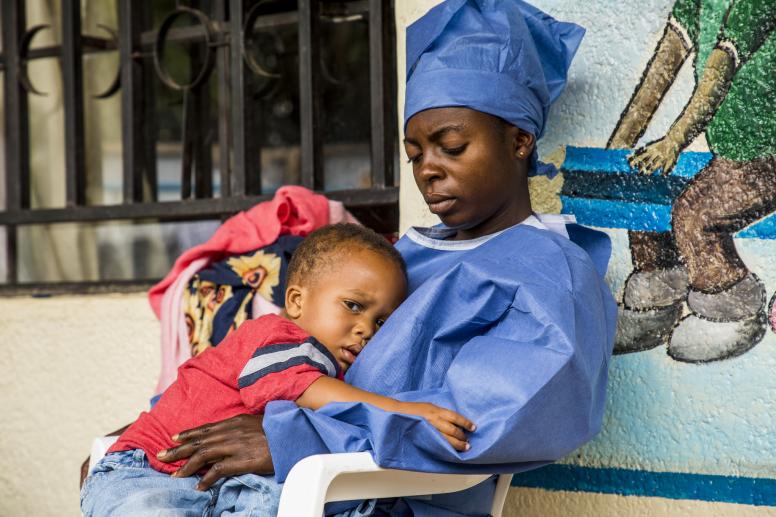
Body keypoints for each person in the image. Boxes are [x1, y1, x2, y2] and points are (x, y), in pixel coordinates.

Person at [147, 1, 618, 515]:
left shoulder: (550, 276)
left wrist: (291, 438)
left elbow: (475, 423)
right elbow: (280, 358)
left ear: (519, 140)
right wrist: (151, 434)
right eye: (415, 154)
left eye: (452, 146)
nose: (428, 171)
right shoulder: (398, 257)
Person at [80, 224, 476, 516]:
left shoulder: (327, 367)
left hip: (233, 484)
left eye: (381, 322)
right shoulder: (278, 337)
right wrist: (407, 410)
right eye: (354, 306)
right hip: (153, 472)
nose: (365, 329)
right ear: (297, 300)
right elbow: (305, 390)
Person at [608, 0, 776, 362]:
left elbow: (721, 65)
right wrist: (621, 143)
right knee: (645, 188)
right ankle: (656, 298)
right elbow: (669, 53)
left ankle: (732, 309)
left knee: (695, 216)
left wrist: (674, 141)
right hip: (733, 148)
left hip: (766, 149)